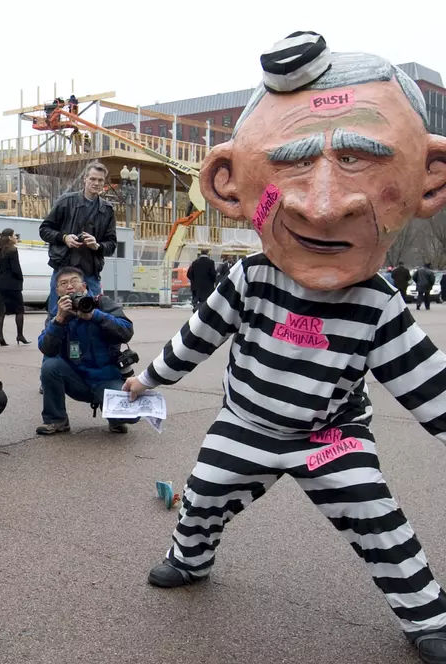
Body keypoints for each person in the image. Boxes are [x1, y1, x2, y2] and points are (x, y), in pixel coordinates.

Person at [123, 36, 446, 663]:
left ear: (429, 180)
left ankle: (427, 615)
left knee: (377, 516)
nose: (323, 208)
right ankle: (188, 559)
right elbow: (197, 336)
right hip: (246, 422)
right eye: (292, 166)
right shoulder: (250, 278)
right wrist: (148, 379)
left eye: (356, 160)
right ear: (229, 187)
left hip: (331, 435)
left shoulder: (376, 302)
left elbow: (428, 385)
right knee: (203, 493)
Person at [36, 266, 135, 435]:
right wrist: (59, 320)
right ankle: (56, 420)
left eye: (74, 281)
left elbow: (126, 331)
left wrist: (95, 316)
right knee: (49, 365)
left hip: (106, 379)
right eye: (63, 283)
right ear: (57, 291)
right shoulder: (57, 313)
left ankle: (114, 418)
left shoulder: (101, 303)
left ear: (84, 286)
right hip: (76, 380)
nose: (69, 286)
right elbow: (46, 348)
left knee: (131, 416)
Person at [40, 161, 118, 316]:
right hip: (63, 269)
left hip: (90, 272)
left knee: (93, 314)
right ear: (85, 179)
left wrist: (97, 246)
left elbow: (111, 245)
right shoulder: (66, 201)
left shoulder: (107, 210)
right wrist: (64, 238)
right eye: (93, 179)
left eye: (100, 180)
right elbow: (44, 230)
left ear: (104, 183)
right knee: (57, 314)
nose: (96, 183)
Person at [0, 228, 28, 346]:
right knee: (19, 309)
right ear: (9, 237)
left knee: (1, 311)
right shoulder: (12, 250)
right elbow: (16, 268)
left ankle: (0, 336)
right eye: (14, 235)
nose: (16, 237)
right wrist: (20, 279)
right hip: (13, 283)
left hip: (1, 282)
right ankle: (20, 335)